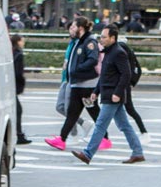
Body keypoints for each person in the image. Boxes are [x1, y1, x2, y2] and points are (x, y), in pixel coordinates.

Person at [70, 25, 145, 165]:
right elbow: (105, 75)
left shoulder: (118, 52)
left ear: (113, 38)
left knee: (100, 125)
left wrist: (118, 93)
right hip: (108, 93)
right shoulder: (109, 52)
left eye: (104, 37)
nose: (101, 39)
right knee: (124, 125)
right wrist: (96, 92)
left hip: (112, 95)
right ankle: (138, 152)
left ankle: (87, 154)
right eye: (101, 37)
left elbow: (126, 74)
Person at [48, 17, 108, 152]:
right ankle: (62, 139)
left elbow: (92, 60)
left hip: (87, 85)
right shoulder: (79, 42)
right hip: (78, 84)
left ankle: (105, 138)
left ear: (80, 28)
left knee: (93, 112)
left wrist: (77, 68)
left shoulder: (89, 42)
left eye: (74, 27)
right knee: (72, 113)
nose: (71, 29)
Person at [11, 33, 32, 144]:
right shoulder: (19, 54)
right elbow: (18, 72)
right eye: (22, 40)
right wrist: (22, 83)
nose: (23, 43)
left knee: (17, 110)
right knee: (18, 110)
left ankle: (18, 134)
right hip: (14, 85)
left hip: (10, 85)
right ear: (18, 41)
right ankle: (18, 135)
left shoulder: (12, 53)